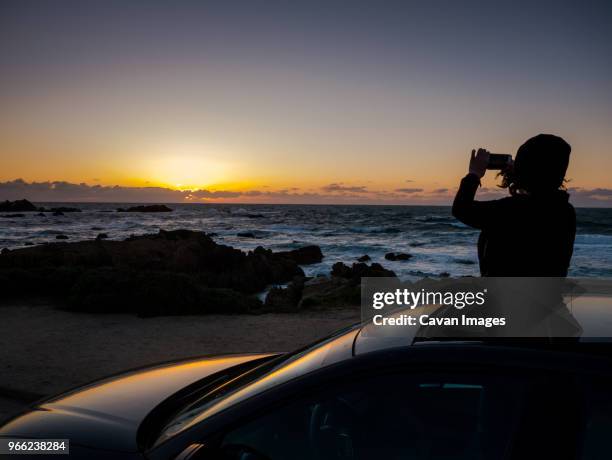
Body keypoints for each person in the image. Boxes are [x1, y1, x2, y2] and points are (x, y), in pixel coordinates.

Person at [452, 134, 575, 277]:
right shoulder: (566, 211)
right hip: (548, 297)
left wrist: (474, 174)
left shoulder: (510, 210)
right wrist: (519, 176)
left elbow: (461, 208)